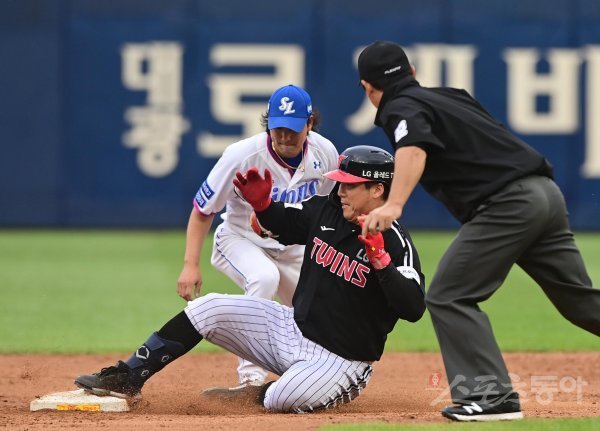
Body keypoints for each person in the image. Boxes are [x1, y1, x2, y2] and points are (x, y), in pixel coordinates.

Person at [74, 145, 426, 413]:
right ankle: (127, 377)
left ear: (377, 190)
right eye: (340, 183)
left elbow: (412, 307)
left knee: (284, 399)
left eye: (350, 185)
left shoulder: (397, 243)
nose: (341, 191)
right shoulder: (329, 210)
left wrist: (381, 261)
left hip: (342, 359)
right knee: (208, 308)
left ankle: (260, 393)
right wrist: (263, 206)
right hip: (293, 329)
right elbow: (286, 224)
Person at [356, 40, 600, 422]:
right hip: (545, 195)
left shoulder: (399, 106)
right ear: (413, 72)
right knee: (580, 302)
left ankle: (491, 397)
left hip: (508, 205)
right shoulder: (452, 96)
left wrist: (394, 204)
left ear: (367, 88)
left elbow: (413, 148)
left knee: (448, 295)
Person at [177, 84, 338, 393]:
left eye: (292, 129)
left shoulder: (325, 153)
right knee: (264, 278)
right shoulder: (242, 155)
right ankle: (251, 378)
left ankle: (310, 374)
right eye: (278, 129)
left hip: (293, 248)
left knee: (314, 311)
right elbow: (203, 210)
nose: (284, 137)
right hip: (241, 240)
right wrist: (190, 264)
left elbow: (326, 210)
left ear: (309, 124)